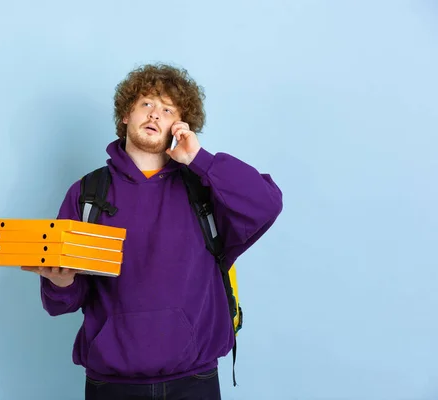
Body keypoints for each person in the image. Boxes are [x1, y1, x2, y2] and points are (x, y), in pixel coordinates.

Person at [21, 63, 283, 400]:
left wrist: (199, 158)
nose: (155, 114)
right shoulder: (88, 194)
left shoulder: (204, 189)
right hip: (111, 385)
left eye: (167, 109)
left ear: (180, 125)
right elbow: (61, 303)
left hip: (195, 381)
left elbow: (266, 203)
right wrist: (60, 282)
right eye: (146, 103)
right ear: (126, 115)